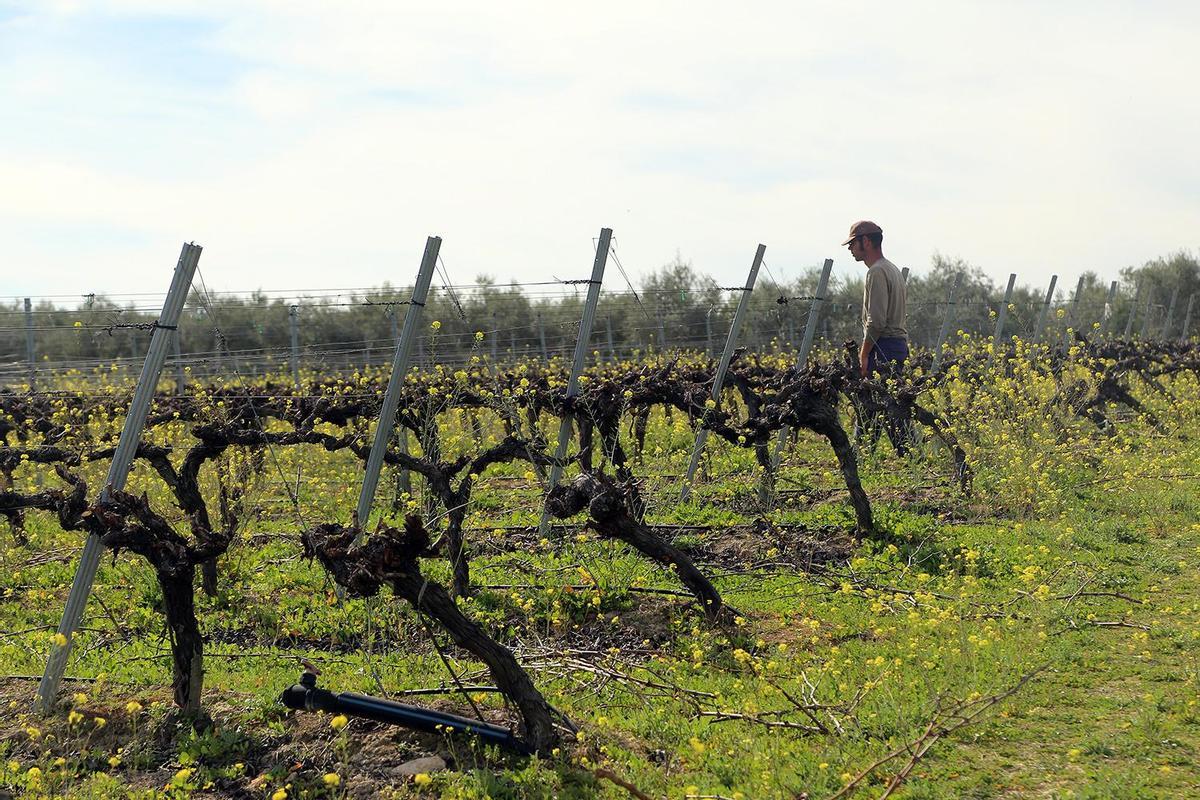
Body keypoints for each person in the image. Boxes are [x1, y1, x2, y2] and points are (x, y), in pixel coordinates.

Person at [843, 220, 908, 377]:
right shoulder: (892, 269)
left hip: (883, 347)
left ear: (866, 241)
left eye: (852, 243)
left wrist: (864, 354)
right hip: (897, 345)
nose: (850, 249)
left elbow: (877, 322)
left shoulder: (876, 271)